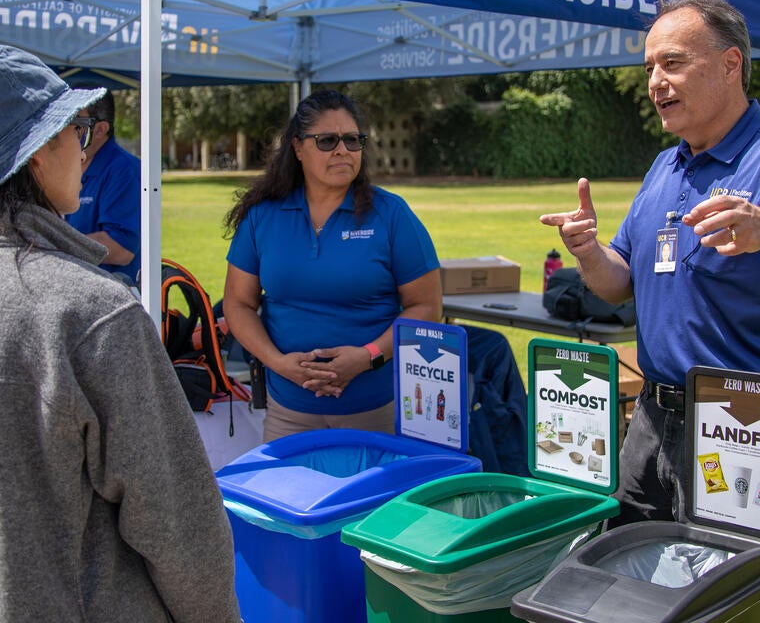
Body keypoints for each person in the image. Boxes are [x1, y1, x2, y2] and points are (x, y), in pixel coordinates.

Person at [0, 45, 240, 622]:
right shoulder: (91, 312)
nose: (84, 151)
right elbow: (178, 526)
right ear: (37, 153)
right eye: (75, 131)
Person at [540, 0, 760, 526]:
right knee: (628, 574)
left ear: (730, 63)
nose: (655, 82)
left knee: (719, 594)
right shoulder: (666, 165)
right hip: (649, 416)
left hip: (736, 426)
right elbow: (618, 283)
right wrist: (589, 251)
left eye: (672, 63)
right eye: (649, 68)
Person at [223, 89, 442, 441]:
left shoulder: (392, 214)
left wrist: (367, 357)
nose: (343, 150)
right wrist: (278, 363)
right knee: (288, 497)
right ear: (297, 148)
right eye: (327, 140)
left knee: (374, 499)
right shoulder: (262, 216)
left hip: (377, 412)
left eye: (353, 141)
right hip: (288, 412)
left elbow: (427, 305)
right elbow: (238, 303)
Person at [66, 87, 141, 282]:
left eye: (75, 125)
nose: (66, 133)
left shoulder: (125, 170)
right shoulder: (70, 167)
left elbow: (121, 248)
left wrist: (55, 244)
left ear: (100, 129)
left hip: (114, 298)